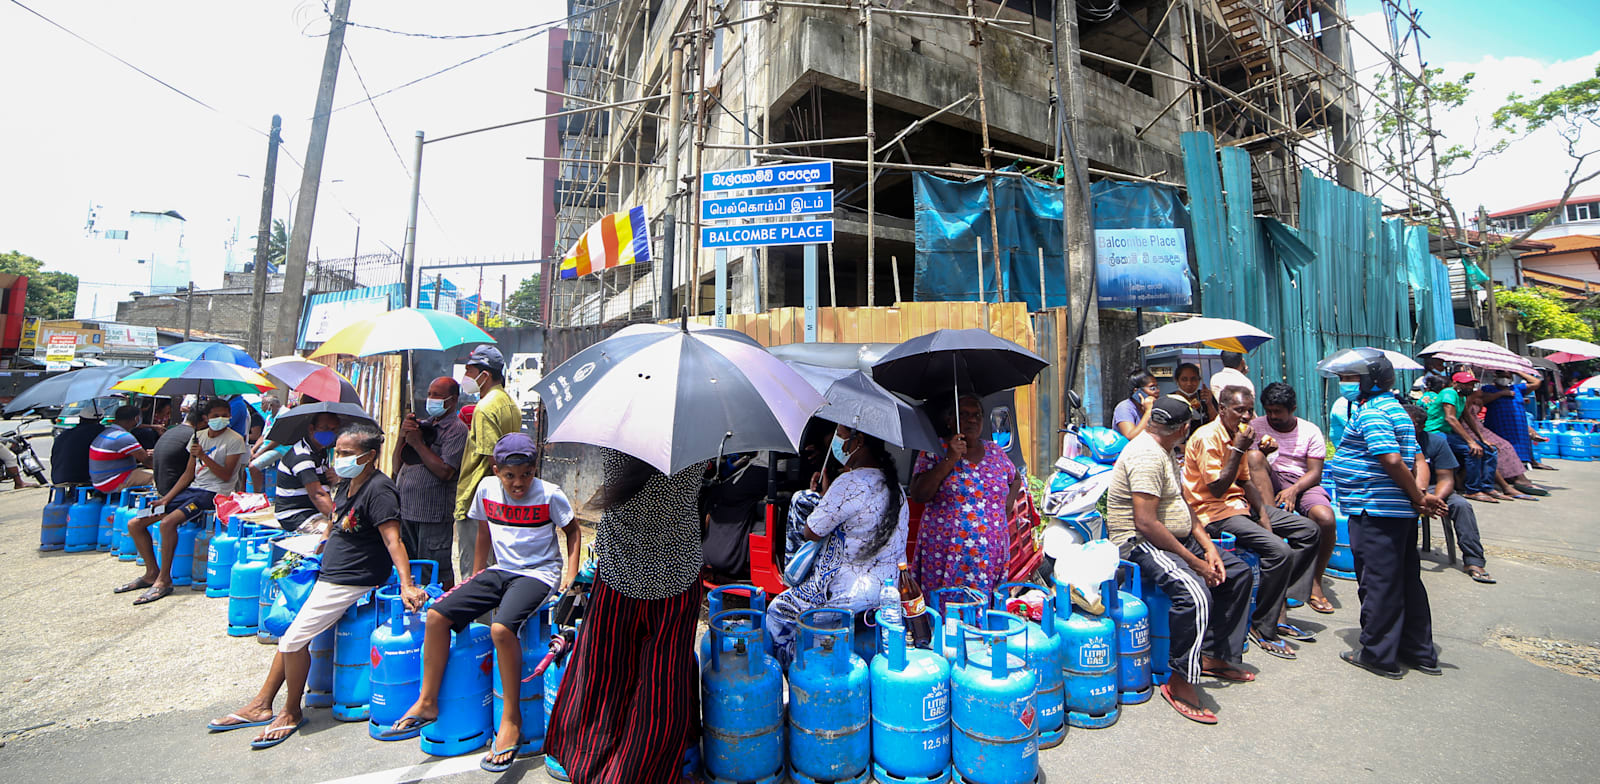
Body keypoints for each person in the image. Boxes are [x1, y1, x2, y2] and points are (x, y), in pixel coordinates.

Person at [208, 423, 427, 748]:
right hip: (327, 570)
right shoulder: (347, 484)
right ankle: (262, 702)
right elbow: (336, 523)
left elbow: (393, 539)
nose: (338, 458)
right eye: (336, 452)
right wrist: (320, 546)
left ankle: (290, 711)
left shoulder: (380, 490)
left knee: (294, 639)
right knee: (290, 630)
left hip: (350, 578)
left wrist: (407, 585)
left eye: (346, 453)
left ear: (368, 456)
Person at [381, 433, 579, 771]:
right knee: (437, 615)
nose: (518, 483)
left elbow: (573, 532)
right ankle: (427, 702)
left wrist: (570, 576)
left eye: (526, 474)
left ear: (535, 470)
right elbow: (484, 532)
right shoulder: (486, 489)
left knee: (502, 629)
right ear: (496, 469)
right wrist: (475, 576)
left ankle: (511, 720)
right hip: (500, 570)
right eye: (510, 475)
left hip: (539, 575)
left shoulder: (550, 495)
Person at [545, 450, 707, 783]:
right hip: (675, 580)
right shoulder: (696, 439)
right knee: (662, 686)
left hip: (620, 578)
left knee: (605, 676)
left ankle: (592, 764)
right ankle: (638, 772)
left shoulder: (620, 435)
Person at [1109, 397, 1253, 724]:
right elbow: (1145, 523)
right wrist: (1197, 563)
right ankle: (1180, 679)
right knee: (1196, 593)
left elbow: (1184, 505)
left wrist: (1210, 549)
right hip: (1139, 542)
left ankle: (1214, 654)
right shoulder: (1146, 454)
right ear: (1185, 428)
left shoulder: (1165, 450)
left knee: (1238, 572)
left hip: (1174, 534)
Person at [1323, 349, 1442, 678]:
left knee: (1378, 584)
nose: (1346, 384)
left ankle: (1378, 654)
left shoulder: (1374, 412)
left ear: (1369, 380)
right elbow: (1417, 459)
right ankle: (1418, 651)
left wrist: (1418, 496)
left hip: (1374, 507)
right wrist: (1417, 498)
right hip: (1397, 510)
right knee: (1405, 581)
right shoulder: (1397, 409)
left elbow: (1390, 459)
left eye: (1351, 378)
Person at [1181, 385, 1319, 660]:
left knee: (1309, 530)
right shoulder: (1209, 437)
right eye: (1239, 410)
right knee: (1279, 551)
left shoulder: (1238, 434)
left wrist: (1265, 517)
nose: (1246, 416)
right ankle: (1263, 625)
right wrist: (1237, 449)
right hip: (1213, 513)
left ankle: (1277, 601)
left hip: (1239, 506)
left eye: (1249, 410)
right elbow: (1218, 489)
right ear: (1222, 410)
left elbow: (1244, 481)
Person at [765, 426, 908, 666]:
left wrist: (826, 496)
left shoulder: (849, 482)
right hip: (888, 594)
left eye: (839, 435)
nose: (834, 441)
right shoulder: (897, 489)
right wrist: (830, 495)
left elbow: (811, 531)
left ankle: (802, 678)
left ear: (858, 441)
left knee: (778, 611)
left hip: (848, 597)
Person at [121, 397, 247, 605]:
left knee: (167, 523)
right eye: (216, 416)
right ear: (206, 418)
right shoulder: (198, 437)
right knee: (135, 523)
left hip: (213, 494)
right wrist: (167, 498)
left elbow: (226, 476)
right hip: (190, 491)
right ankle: (152, 572)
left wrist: (204, 456)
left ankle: (164, 579)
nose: (221, 419)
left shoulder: (234, 440)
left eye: (225, 415)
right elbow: (189, 474)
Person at [908, 393, 1022, 597]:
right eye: (964, 414)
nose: (972, 419)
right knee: (946, 613)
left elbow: (1016, 478)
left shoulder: (995, 452)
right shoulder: (935, 451)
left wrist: (1007, 504)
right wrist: (950, 459)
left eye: (977, 415)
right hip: (946, 557)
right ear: (950, 421)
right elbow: (919, 494)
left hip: (989, 557)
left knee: (984, 613)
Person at [1248, 382, 1337, 615]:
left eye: (1278, 411)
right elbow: (1252, 465)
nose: (1272, 416)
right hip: (1270, 477)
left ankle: (1315, 580)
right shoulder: (1255, 426)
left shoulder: (1310, 431)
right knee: (1256, 457)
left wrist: (1294, 490)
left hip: (1303, 482)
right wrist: (1265, 455)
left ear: (1292, 408)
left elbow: (1315, 472)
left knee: (1325, 518)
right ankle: (1272, 525)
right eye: (1268, 410)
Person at [453, 345, 523, 581]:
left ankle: (478, 619)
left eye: (470, 371)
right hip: (499, 502)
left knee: (475, 572)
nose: (466, 377)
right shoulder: (509, 403)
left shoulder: (484, 408)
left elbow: (494, 456)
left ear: (485, 374)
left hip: (478, 498)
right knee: (496, 568)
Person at [1405, 405, 1495, 584]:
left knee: (1462, 506)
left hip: (1432, 489)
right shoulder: (1389, 440)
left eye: (1410, 423)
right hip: (1400, 489)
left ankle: (1474, 561)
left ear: (1421, 427)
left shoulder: (1435, 442)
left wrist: (1436, 500)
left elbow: (1446, 478)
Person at [394, 377, 467, 588]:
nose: (431, 399)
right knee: (408, 568)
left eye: (437, 395)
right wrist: (402, 436)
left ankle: (441, 611)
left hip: (432, 515)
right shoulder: (422, 426)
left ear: (451, 401)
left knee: (434, 570)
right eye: (429, 394)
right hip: (407, 510)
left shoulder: (456, 430)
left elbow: (445, 471)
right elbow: (396, 466)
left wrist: (417, 444)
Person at [1425, 371, 1500, 503]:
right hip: (1435, 431)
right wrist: (1470, 442)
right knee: (1472, 450)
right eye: (1466, 385)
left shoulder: (1462, 397)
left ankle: (1487, 486)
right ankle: (1472, 490)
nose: (1469, 388)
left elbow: (1467, 418)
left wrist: (1481, 438)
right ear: (1455, 383)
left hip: (1447, 433)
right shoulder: (1449, 393)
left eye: (1471, 385)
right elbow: (1451, 418)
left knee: (1489, 449)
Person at [272, 412, 341, 532]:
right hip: (296, 516)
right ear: (311, 429)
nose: (329, 433)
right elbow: (317, 495)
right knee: (338, 534)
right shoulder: (302, 457)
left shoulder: (321, 452)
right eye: (325, 428)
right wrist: (339, 521)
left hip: (315, 511)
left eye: (333, 429)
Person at [88, 404, 154, 493]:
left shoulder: (107, 432)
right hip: (112, 482)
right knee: (160, 478)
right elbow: (147, 462)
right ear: (136, 419)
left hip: (100, 481)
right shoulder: (124, 437)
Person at [49, 416, 105, 486]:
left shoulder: (65, 433)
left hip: (57, 477)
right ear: (100, 420)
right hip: (79, 477)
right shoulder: (97, 431)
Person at [1111, 370, 1161, 440]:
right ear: (1137, 391)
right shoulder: (1125, 408)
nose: (1157, 391)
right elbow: (1130, 436)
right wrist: (1148, 411)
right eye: (1152, 388)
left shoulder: (1155, 407)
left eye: (1157, 387)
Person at [248, 393, 283, 491]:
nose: (261, 407)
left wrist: (259, 453)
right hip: (267, 447)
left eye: (263, 404)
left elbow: (277, 440)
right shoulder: (269, 417)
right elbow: (263, 436)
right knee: (247, 461)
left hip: (280, 447)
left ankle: (257, 494)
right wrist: (253, 450)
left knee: (253, 466)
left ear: (270, 405)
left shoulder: (282, 416)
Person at [1173, 362, 1218, 427]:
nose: (1189, 383)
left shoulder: (1206, 396)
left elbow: (1216, 423)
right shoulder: (1171, 399)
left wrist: (1209, 404)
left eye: (1193, 379)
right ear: (1177, 380)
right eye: (1184, 379)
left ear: (1199, 380)